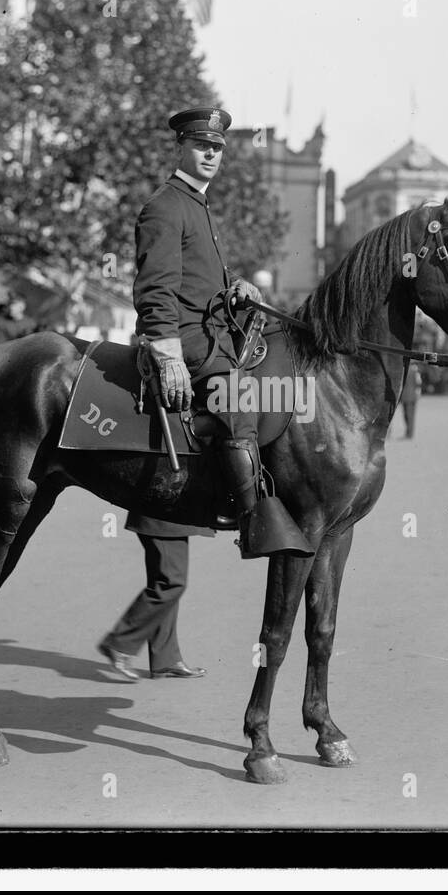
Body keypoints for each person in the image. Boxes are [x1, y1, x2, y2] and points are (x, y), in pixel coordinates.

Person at [132, 106, 308, 559]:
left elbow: (197, 280)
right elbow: (156, 290)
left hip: (214, 333)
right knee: (239, 401)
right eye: (201, 146)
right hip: (189, 341)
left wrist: (234, 289)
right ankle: (253, 522)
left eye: (216, 148)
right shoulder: (166, 206)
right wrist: (167, 354)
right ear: (182, 147)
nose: (210, 154)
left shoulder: (200, 207)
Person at [96, 513, 211, 681]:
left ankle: (165, 659)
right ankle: (119, 644)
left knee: (166, 581)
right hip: (163, 515)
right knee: (171, 582)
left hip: (168, 514)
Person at [399, 360, 423, 439]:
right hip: (412, 396)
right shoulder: (415, 372)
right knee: (410, 416)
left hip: (406, 396)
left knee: (407, 415)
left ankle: (408, 433)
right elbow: (419, 384)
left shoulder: (404, 371)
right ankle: (409, 433)